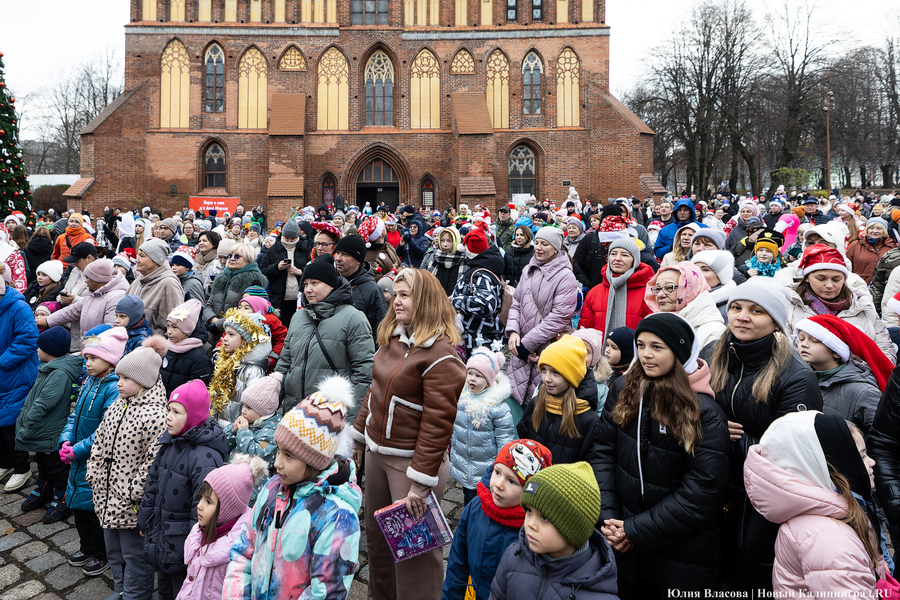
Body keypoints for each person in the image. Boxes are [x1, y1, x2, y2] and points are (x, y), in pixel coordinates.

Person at [349, 268, 465, 600]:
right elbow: (374, 391)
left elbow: (438, 423)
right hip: (377, 455)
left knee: (414, 555)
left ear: (425, 301)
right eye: (395, 295)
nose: (396, 301)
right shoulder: (394, 339)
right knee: (378, 543)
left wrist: (420, 481)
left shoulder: (441, 355)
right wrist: (359, 436)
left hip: (410, 467)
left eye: (405, 295)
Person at [702, 277, 823, 591]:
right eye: (737, 307)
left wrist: (724, 437)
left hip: (757, 499)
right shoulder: (712, 351)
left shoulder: (795, 376)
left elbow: (792, 453)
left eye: (757, 311)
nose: (742, 316)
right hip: (706, 482)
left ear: (775, 323)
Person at [596, 313, 730, 596]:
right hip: (621, 541)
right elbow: (603, 453)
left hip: (683, 556)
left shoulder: (703, 412)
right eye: (641, 345)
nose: (646, 354)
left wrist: (636, 531)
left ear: (678, 352)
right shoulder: (622, 389)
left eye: (657, 347)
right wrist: (610, 521)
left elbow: (703, 491)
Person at [224, 379, 362, 600]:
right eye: (278, 451)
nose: (277, 463)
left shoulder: (337, 517)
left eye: (289, 456)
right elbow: (244, 550)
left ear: (314, 461)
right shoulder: (271, 489)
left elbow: (327, 592)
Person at [744, 412, 887, 594]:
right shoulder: (829, 538)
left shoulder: (830, 516)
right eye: (862, 455)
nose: (872, 462)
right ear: (832, 465)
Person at [86, 340, 168, 600]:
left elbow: (152, 460)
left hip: (130, 502)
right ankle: (120, 588)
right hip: (106, 494)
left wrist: (134, 490)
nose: (118, 382)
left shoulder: (155, 416)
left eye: (125, 377)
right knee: (114, 550)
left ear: (143, 381)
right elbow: (99, 440)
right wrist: (94, 470)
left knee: (135, 555)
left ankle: (136, 594)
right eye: (118, 376)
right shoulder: (117, 405)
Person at [139, 380, 226, 600]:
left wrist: (195, 546)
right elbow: (152, 484)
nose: (168, 416)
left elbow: (204, 508)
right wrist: (145, 520)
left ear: (194, 416)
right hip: (163, 537)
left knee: (182, 592)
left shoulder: (204, 456)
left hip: (183, 546)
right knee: (165, 590)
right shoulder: (169, 443)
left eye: (176, 412)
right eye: (168, 410)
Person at [442, 439, 553, 600]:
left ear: (530, 491)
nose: (499, 485)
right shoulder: (476, 507)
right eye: (497, 472)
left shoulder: (536, 527)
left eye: (512, 481)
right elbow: (457, 563)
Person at [490, 462, 618, 600]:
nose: (530, 524)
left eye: (544, 517)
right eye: (529, 511)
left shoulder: (598, 595)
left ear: (574, 529)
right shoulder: (513, 556)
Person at [60, 327, 128, 577]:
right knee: (79, 510)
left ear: (110, 361)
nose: (87, 363)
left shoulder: (113, 389)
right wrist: (66, 441)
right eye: (86, 358)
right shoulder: (89, 381)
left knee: (94, 512)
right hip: (77, 459)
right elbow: (74, 416)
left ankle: (102, 553)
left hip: (95, 461)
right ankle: (86, 547)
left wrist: (77, 450)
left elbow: (105, 431)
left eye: (93, 359)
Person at [15, 327, 82, 522]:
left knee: (56, 466)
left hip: (49, 431)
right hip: (40, 430)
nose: (37, 350)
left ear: (50, 351)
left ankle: (62, 497)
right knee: (42, 462)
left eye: (40, 347)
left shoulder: (59, 374)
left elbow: (44, 403)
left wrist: (27, 424)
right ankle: (43, 488)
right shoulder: (48, 369)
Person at [785, 244, 895, 363]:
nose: (829, 285)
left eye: (836, 279)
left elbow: (885, 350)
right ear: (806, 278)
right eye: (821, 279)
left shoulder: (863, 304)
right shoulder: (789, 304)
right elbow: (782, 349)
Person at [506, 227, 578, 405]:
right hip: (521, 346)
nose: (538, 247)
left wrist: (527, 343)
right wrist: (514, 332)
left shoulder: (565, 276)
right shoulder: (528, 269)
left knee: (541, 401)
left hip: (547, 347)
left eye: (544, 244)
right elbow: (516, 302)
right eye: (537, 242)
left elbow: (559, 317)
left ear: (556, 248)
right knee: (517, 396)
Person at [794, 315, 892, 435]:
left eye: (814, 340)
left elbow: (885, 436)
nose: (804, 344)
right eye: (801, 339)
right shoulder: (799, 379)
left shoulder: (863, 391)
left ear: (836, 352)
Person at [517, 335, 603, 468]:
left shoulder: (588, 420)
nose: (546, 378)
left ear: (572, 376)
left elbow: (589, 464)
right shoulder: (536, 404)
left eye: (555, 372)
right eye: (544, 370)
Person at [177, 463, 258, 600]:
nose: (200, 506)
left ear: (228, 510)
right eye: (201, 498)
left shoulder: (237, 551)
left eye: (208, 502)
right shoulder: (201, 532)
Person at [449, 348, 516, 506]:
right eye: (470, 373)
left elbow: (504, 438)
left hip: (486, 466)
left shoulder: (497, 406)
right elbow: (454, 427)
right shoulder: (461, 399)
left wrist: (502, 466)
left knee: (485, 499)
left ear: (489, 381)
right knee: (469, 498)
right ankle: (469, 521)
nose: (472, 379)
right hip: (464, 461)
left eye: (479, 376)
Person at [0, 267, 40, 494]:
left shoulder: (18, 307)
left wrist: (3, 361)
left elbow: (28, 340)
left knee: (11, 424)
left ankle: (21, 467)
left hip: (15, 375)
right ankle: (5, 463)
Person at [579, 237, 653, 338]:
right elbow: (585, 329)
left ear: (635, 261)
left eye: (625, 255)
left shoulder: (648, 293)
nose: (617, 258)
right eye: (613, 254)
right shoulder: (595, 292)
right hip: (600, 352)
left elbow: (651, 332)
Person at [208, 309, 271, 427]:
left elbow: (252, 406)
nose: (224, 338)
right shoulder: (225, 361)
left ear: (245, 340)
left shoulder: (254, 370)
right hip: (217, 427)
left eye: (231, 334)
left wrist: (237, 429)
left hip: (236, 430)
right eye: (225, 333)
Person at [223, 376, 280, 504]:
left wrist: (243, 432)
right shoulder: (250, 421)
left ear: (262, 412)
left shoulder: (271, 431)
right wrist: (233, 429)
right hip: (234, 479)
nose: (243, 410)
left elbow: (258, 454)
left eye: (248, 408)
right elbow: (224, 446)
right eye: (243, 405)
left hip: (252, 489)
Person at [644, 262, 726, 349]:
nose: (660, 294)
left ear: (691, 289)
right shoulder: (653, 325)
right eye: (657, 289)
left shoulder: (713, 332)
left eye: (669, 288)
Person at [450, 229, 505, 355]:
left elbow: (486, 303)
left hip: (480, 338)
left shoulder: (480, 274)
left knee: (478, 373)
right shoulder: (485, 265)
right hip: (478, 335)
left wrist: (456, 300)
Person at [42, 259, 128, 338]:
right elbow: (73, 310)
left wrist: (92, 350)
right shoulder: (94, 293)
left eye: (87, 278)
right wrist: (48, 320)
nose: (85, 281)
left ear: (97, 279)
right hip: (89, 349)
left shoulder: (116, 297)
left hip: (99, 351)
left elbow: (111, 330)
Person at [202, 242, 267, 339]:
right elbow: (209, 304)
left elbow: (249, 313)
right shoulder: (222, 277)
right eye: (230, 255)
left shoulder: (254, 280)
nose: (231, 258)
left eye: (237, 256)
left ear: (248, 259)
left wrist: (219, 324)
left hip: (238, 334)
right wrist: (213, 320)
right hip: (214, 332)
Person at [258, 218, 311, 329]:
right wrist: (277, 267)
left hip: (301, 298)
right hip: (279, 299)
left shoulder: (305, 247)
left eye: (293, 239)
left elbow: (313, 267)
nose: (290, 241)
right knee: (282, 329)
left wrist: (300, 271)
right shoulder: (273, 249)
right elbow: (263, 270)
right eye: (287, 238)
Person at [333, 234, 388, 338]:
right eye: (337, 253)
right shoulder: (329, 283)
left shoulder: (372, 290)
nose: (338, 258)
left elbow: (380, 330)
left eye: (345, 254)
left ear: (358, 260)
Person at [127, 239, 185, 336]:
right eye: (138, 255)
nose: (137, 260)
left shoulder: (169, 283)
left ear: (155, 260)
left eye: (142, 256)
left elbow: (176, 325)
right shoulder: (139, 280)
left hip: (153, 347)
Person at [159, 300, 213, 394]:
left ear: (187, 329)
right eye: (168, 326)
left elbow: (198, 392)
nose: (169, 332)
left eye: (175, 327)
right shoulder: (167, 348)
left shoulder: (199, 358)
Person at [846, 217, 897, 284]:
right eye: (871, 228)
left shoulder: (893, 246)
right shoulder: (855, 245)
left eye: (879, 228)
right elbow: (847, 267)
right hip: (860, 286)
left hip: (884, 286)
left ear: (884, 230)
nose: (875, 231)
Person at [692, 250, 737, 319]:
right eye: (694, 269)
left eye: (705, 270)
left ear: (720, 278)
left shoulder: (727, 310)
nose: (697, 274)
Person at [358, 216, 401, 282]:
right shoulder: (371, 257)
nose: (385, 227)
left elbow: (399, 264)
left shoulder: (387, 246)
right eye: (383, 227)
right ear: (379, 234)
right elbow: (378, 281)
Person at [424, 227, 465, 295]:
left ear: (456, 241)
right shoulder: (435, 256)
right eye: (442, 240)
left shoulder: (464, 259)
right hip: (436, 299)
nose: (445, 244)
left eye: (449, 241)